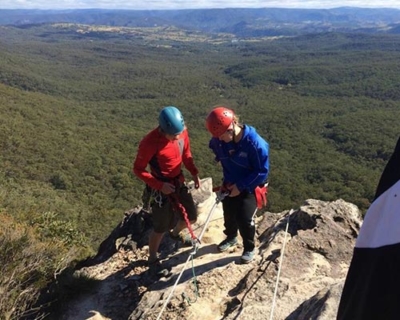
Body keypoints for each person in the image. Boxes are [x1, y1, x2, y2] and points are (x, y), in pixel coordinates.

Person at [133, 106, 200, 270]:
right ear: (163, 130)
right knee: (160, 227)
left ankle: (175, 234)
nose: (177, 137)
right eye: (173, 135)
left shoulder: (181, 132)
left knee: (191, 217)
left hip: (178, 181)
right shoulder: (149, 143)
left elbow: (186, 153)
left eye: (179, 133)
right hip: (161, 187)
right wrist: (160, 185)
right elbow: (138, 169)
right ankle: (153, 259)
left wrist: (194, 172)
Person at [205, 106, 269, 264]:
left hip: (251, 185)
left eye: (221, 135)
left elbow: (262, 171)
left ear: (231, 127)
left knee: (244, 217)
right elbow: (215, 146)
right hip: (230, 181)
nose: (219, 139)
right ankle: (231, 237)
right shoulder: (219, 140)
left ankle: (249, 248)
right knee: (229, 213)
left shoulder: (255, 144)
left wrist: (240, 187)